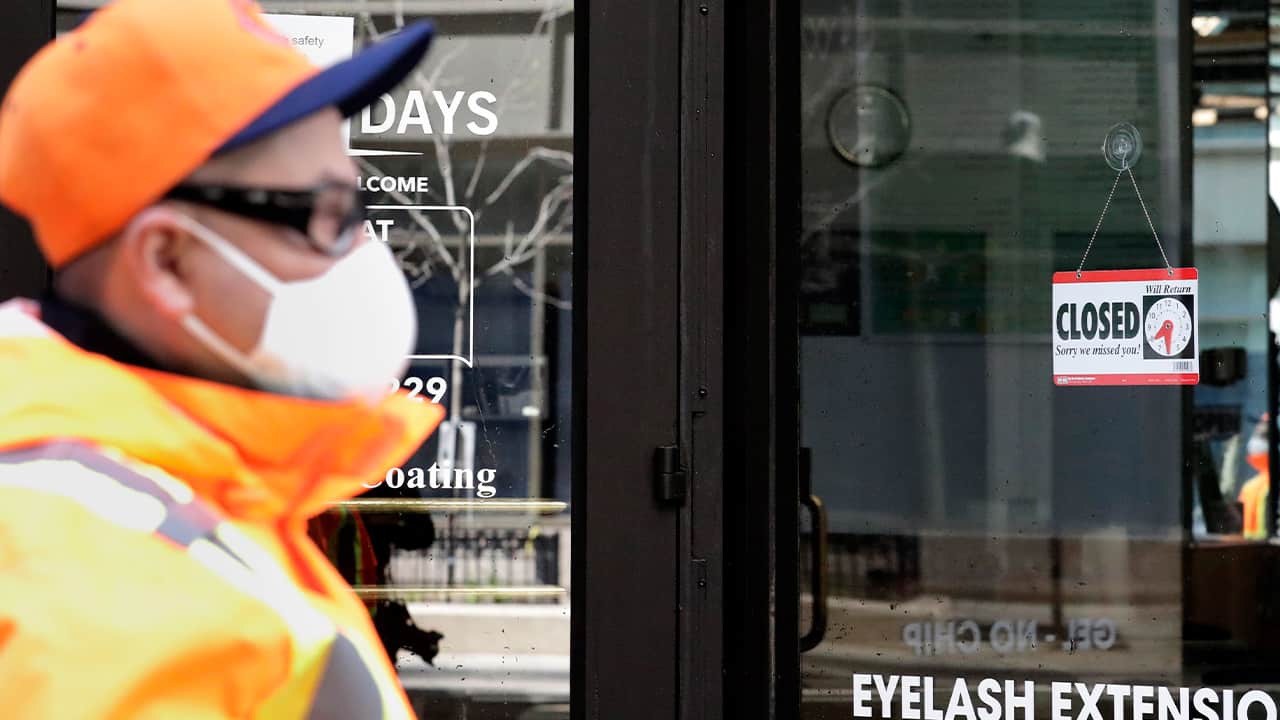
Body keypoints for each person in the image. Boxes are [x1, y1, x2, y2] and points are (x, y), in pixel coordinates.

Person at [0, 0, 444, 717]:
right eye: (327, 214)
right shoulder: (105, 588)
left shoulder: (173, 500)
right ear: (167, 261)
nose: (365, 253)